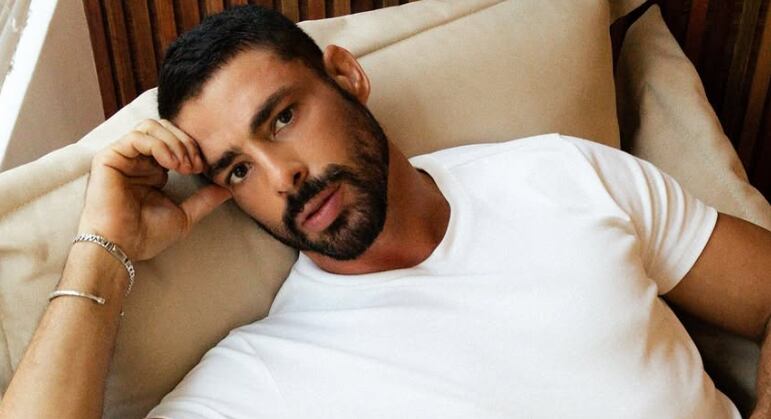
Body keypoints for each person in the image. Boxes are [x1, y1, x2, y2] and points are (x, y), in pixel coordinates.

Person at [0, 5, 769, 419]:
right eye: (237, 168)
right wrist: (102, 247)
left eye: (281, 118)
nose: (282, 176)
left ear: (345, 77)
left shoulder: (560, 174)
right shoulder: (263, 377)